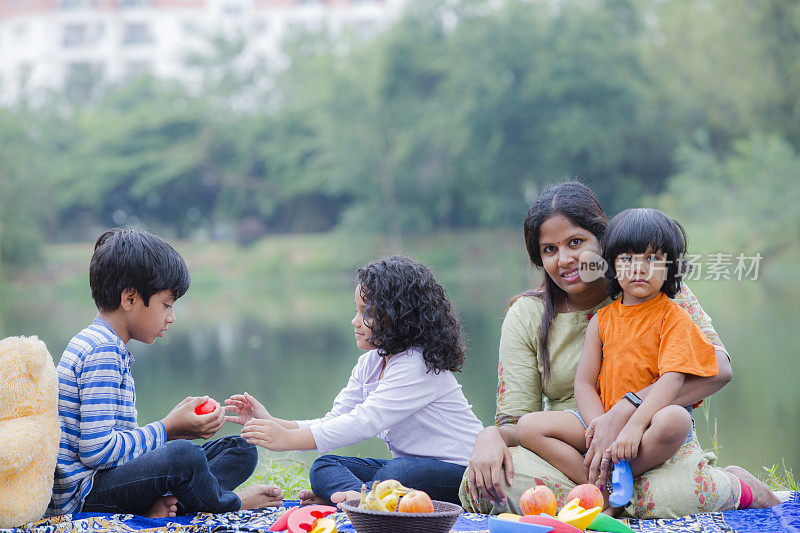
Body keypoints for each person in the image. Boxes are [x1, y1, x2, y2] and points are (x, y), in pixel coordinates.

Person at [460, 181, 779, 518]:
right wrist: (490, 436)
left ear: (603, 242)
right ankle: (613, 493)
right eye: (550, 249)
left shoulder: (656, 288)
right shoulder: (526, 315)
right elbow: (517, 421)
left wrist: (626, 410)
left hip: (653, 441)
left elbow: (718, 368)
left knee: (659, 496)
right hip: (573, 452)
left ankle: (727, 485)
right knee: (489, 487)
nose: (565, 259)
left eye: (576, 242)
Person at [47, 228, 283, 518]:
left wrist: (169, 431)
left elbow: (119, 443)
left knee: (240, 449)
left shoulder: (106, 345)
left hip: (110, 479)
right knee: (184, 456)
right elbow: (96, 452)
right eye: (166, 305)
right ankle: (229, 503)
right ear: (130, 299)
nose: (171, 317)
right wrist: (168, 430)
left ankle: (170, 506)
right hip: (87, 495)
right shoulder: (102, 351)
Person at [226, 256, 484, 506]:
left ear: (400, 316)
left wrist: (286, 441)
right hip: (408, 472)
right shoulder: (370, 363)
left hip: (462, 475)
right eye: (357, 310)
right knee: (326, 466)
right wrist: (274, 423)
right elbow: (336, 420)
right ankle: (357, 500)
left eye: (366, 313)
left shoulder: (418, 364)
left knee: (398, 474)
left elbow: (363, 422)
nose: (355, 321)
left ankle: (361, 498)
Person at [516, 208, 719, 504]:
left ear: (670, 266)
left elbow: (673, 379)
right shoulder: (602, 320)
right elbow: (584, 384)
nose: (639, 269)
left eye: (652, 259)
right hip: (604, 417)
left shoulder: (673, 317)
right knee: (529, 427)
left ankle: (617, 474)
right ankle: (601, 484)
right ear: (611, 265)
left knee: (676, 419)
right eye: (627, 259)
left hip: (650, 421)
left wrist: (635, 423)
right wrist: (601, 426)